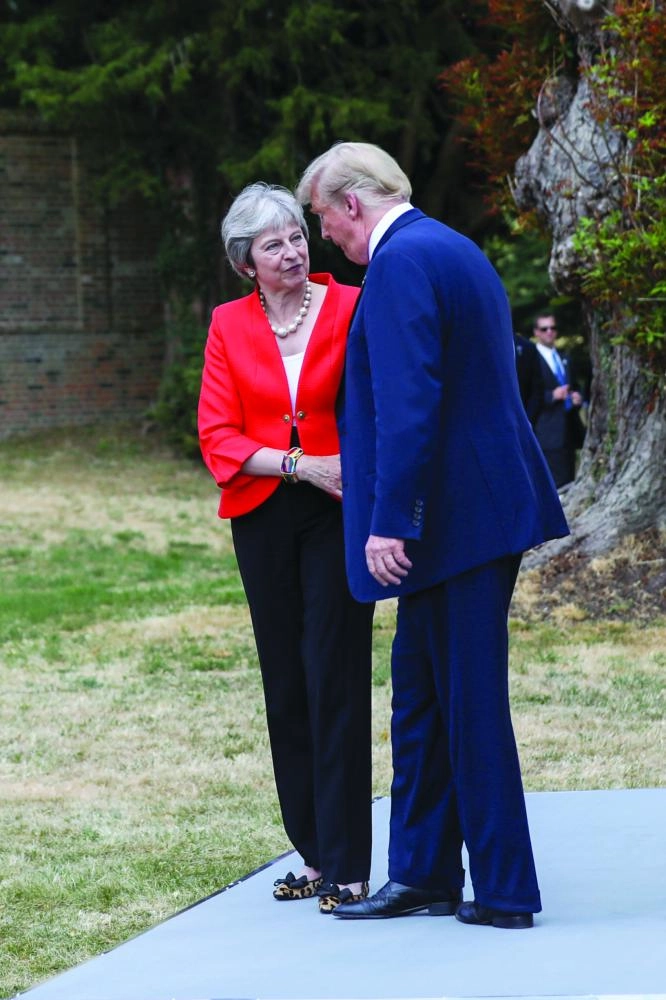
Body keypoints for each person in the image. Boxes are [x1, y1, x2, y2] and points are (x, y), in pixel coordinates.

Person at [296, 143, 569, 929]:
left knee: (469, 701)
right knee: (419, 695)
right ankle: (421, 873)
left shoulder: (404, 263)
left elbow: (411, 404)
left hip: (456, 524)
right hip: (464, 515)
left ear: (352, 203)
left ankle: (507, 890)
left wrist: (390, 519)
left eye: (323, 220)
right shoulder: (451, 247)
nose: (326, 240)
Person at [198, 183, 374, 914]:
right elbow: (219, 435)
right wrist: (300, 463)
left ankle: (351, 864)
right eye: (273, 244)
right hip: (265, 515)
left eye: (298, 237)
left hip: (338, 511)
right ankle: (311, 851)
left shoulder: (350, 305)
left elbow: (377, 403)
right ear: (247, 264)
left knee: (335, 674)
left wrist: (350, 473)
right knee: (286, 684)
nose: (293, 252)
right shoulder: (227, 326)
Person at [532, 313, 586, 488]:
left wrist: (578, 396)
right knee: (555, 484)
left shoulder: (564, 358)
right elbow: (526, 394)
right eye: (544, 329)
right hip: (547, 432)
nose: (549, 332)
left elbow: (576, 385)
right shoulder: (531, 360)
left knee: (570, 479)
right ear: (536, 332)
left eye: (552, 328)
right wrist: (552, 396)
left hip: (570, 428)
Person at [514, 332, 544, 427]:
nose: (549, 331)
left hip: (523, 421)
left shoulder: (528, 347)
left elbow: (536, 389)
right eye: (544, 329)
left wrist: (528, 421)